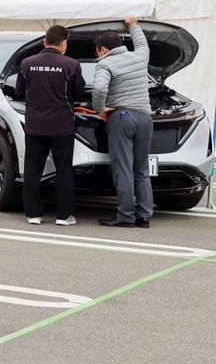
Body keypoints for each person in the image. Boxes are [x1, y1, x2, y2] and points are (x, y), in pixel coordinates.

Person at [15, 24, 85, 226]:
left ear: (44, 41)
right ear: (64, 43)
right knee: (63, 170)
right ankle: (64, 216)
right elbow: (79, 93)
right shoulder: (71, 65)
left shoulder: (27, 64)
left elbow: (19, 92)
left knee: (33, 170)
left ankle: (33, 214)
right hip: (62, 126)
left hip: (35, 125)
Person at [93, 16, 153, 228]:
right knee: (142, 169)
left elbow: (100, 89)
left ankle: (125, 215)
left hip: (122, 118)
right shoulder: (139, 56)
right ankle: (144, 215)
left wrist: (100, 109)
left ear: (102, 49)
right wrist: (134, 25)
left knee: (124, 169)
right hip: (145, 118)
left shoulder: (106, 64)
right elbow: (143, 43)